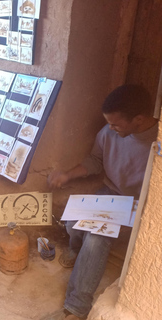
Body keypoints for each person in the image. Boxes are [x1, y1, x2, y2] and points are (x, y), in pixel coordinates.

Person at [44, 84, 158, 320]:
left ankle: (76, 307)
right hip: (111, 194)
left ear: (138, 119)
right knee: (72, 220)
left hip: (138, 206)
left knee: (97, 236)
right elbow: (96, 160)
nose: (110, 128)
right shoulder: (109, 133)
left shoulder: (156, 143)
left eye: (116, 124)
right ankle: (77, 252)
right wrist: (67, 175)